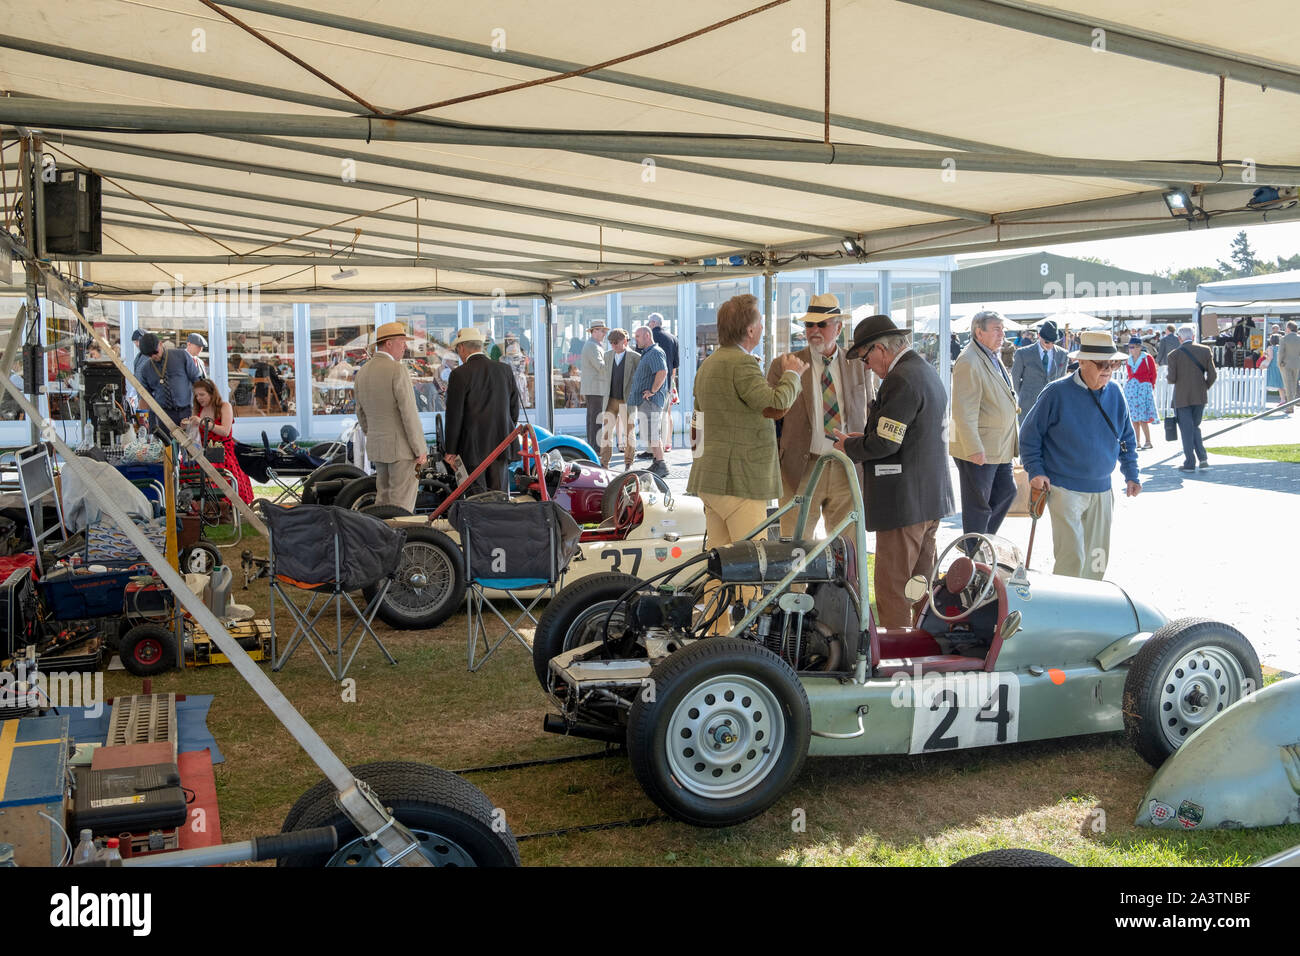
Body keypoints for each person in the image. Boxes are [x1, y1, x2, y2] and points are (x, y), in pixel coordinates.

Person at [687, 294, 805, 616]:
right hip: (739, 481)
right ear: (751, 330)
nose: (763, 329)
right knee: (751, 564)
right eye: (761, 323)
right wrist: (793, 374)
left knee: (720, 564)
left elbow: (697, 423)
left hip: (711, 479)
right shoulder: (741, 363)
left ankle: (716, 626)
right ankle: (746, 632)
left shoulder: (708, 364)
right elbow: (775, 406)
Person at [833, 315, 954, 628]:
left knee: (893, 585)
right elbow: (905, 435)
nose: (867, 366)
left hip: (904, 503)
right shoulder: (923, 370)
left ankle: (898, 645)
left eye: (865, 357)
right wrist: (864, 441)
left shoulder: (901, 378)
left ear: (880, 349)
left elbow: (886, 443)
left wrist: (851, 447)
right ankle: (921, 637)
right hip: (928, 499)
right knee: (919, 582)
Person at [1019, 331, 1140, 581]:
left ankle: (1089, 612)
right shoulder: (1056, 392)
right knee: (1072, 557)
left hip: (1102, 490)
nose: (1108, 370)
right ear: (1082, 362)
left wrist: (1132, 474)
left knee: (1097, 558)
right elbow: (1029, 435)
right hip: (1064, 488)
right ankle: (1064, 612)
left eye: (1113, 364)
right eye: (1101, 364)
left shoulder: (1115, 392)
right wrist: (1036, 471)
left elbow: (1126, 437)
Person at [767, 293, 871, 540]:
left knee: (847, 547)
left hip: (847, 467)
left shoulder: (858, 364)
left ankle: (845, 582)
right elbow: (769, 415)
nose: (814, 330)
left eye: (821, 324)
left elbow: (869, 408)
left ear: (838, 327)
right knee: (795, 546)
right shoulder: (784, 364)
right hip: (800, 469)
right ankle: (799, 582)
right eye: (809, 324)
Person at [950, 310, 1019, 539]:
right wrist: (973, 447)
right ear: (979, 332)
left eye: (1003, 329)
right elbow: (963, 410)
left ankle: (979, 542)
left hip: (998, 446)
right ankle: (975, 550)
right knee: (978, 505)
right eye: (997, 329)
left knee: (1007, 492)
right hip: (980, 448)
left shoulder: (990, 354)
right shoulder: (969, 361)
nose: (1002, 334)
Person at [353, 323, 427, 511]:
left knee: (383, 502)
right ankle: (400, 540)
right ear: (388, 343)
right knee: (401, 507)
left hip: (378, 446)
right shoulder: (397, 370)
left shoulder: (362, 372)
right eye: (401, 341)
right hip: (402, 449)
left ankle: (381, 538)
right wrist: (420, 448)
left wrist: (375, 434)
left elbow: (360, 413)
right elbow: (408, 413)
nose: (405, 346)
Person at [443, 326, 521, 494]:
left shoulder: (459, 374)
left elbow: (454, 416)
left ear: (462, 348)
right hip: (501, 443)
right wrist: (503, 429)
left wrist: (451, 450)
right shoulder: (504, 370)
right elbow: (514, 409)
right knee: (500, 495)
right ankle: (500, 520)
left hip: (472, 446)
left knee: (477, 498)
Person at [185, 379, 253, 504]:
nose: (198, 398)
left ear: (212, 393)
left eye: (202, 394)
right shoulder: (198, 410)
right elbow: (194, 435)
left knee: (215, 473)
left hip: (224, 451)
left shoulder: (224, 406)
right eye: (196, 395)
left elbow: (225, 431)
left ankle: (220, 505)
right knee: (185, 468)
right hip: (205, 451)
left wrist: (204, 423)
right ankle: (196, 503)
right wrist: (187, 426)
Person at [1166, 326, 1217, 472]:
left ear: (1179, 338)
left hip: (1181, 397)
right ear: (1193, 336)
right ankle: (1202, 458)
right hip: (1199, 396)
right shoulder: (1205, 350)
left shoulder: (1173, 355)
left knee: (1186, 430)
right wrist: (1204, 387)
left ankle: (1190, 462)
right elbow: (1213, 375)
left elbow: (1171, 379)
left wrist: (1169, 377)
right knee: (1194, 427)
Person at [626, 325, 671, 478]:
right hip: (647, 401)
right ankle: (657, 462)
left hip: (651, 400)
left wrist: (653, 390)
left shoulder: (655, 352)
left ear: (646, 335)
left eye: (637, 336)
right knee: (651, 433)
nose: (635, 339)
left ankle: (661, 464)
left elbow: (662, 372)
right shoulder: (649, 353)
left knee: (653, 433)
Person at [136, 332, 203, 432]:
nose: (154, 356)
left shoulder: (181, 356)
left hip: (187, 412)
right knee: (167, 445)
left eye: (155, 352)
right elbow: (145, 397)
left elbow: (197, 382)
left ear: (160, 343)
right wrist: (142, 421)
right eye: (149, 355)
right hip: (163, 415)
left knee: (190, 445)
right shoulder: (146, 369)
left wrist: (199, 410)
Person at [1010, 319, 1068, 423]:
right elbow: (1015, 378)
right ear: (1039, 336)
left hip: (1053, 404)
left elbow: (1062, 379)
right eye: (1047, 341)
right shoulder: (1023, 353)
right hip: (1028, 403)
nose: (1049, 345)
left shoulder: (1063, 354)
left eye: (1053, 342)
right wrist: (1024, 395)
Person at [599, 328, 641, 470]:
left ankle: (629, 462)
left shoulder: (635, 357)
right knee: (606, 432)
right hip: (610, 399)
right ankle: (604, 463)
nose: (613, 345)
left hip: (627, 400)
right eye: (610, 342)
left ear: (625, 341)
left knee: (629, 432)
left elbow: (640, 379)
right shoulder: (607, 355)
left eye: (616, 342)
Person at [648, 313, 680, 452]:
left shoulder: (649, 337)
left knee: (653, 416)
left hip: (652, 382)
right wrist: (671, 381)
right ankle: (667, 443)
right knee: (666, 414)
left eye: (649, 323)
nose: (648, 325)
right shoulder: (673, 338)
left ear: (653, 323)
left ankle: (654, 448)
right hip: (668, 382)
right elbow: (675, 365)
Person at [1123, 334, 1158, 450]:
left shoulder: (1147, 358)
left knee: (1143, 417)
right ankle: (1136, 442)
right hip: (1132, 389)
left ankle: (1148, 441)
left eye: (1132, 347)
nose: (1130, 349)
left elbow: (1153, 373)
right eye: (1129, 347)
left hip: (1144, 387)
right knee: (1134, 418)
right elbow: (1129, 374)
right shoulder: (1128, 359)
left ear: (1139, 347)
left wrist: (1151, 386)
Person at [579, 321, 610, 451]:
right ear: (594, 331)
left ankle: (594, 447)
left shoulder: (595, 345)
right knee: (596, 419)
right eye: (602, 331)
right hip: (595, 388)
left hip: (595, 388)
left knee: (594, 418)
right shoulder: (592, 346)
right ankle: (596, 448)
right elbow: (601, 367)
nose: (604, 334)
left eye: (604, 331)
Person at [1279, 321, 1300, 414]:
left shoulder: (1284, 338)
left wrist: (1279, 363)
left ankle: (1290, 407)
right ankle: (1291, 405)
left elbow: (1281, 353)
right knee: (1294, 385)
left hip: (1286, 364)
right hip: (1296, 364)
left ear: (1288, 328)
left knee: (1288, 386)